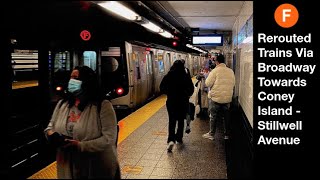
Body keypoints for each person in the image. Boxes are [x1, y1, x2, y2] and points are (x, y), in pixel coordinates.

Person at [44, 66, 121, 179]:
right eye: (71, 77)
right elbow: (50, 127)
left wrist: (80, 146)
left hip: (95, 168)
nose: (71, 81)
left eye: (75, 78)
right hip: (67, 167)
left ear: (87, 82)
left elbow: (109, 139)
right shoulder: (62, 104)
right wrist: (51, 135)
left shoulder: (102, 106)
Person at [160, 60, 194, 152]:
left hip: (171, 101)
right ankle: (179, 137)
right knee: (180, 120)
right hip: (183, 102)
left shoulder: (168, 75)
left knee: (172, 120)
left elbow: (161, 88)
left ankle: (171, 140)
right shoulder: (186, 75)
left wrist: (169, 93)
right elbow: (191, 89)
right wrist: (187, 94)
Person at [202, 54, 235, 140]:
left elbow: (208, 83)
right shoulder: (230, 71)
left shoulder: (215, 71)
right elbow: (233, 83)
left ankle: (211, 134)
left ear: (217, 61)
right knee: (226, 117)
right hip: (227, 99)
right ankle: (226, 134)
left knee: (213, 116)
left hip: (215, 98)